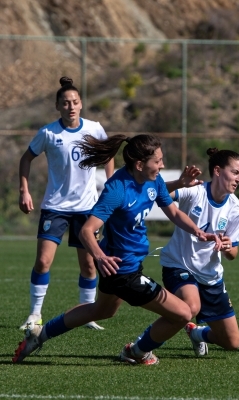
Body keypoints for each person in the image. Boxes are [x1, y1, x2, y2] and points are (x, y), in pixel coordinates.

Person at [13, 134, 220, 365]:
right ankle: (137, 352)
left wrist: (198, 232)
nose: (162, 165)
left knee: (102, 310)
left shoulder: (153, 180)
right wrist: (99, 257)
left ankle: (39, 335)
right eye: (158, 161)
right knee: (183, 313)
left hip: (120, 266)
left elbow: (173, 212)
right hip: (122, 270)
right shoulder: (117, 189)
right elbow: (86, 230)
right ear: (140, 165)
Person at [18, 76, 114, 331]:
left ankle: (87, 315)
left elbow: (109, 156)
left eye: (75, 102)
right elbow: (26, 159)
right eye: (65, 103)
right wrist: (24, 190)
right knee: (43, 262)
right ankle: (35, 314)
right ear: (58, 106)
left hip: (87, 208)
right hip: (55, 207)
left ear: (81, 104)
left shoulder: (94, 129)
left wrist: (111, 183)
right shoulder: (48, 132)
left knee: (89, 264)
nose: (70, 106)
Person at [160, 148, 239, 356]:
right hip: (179, 264)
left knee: (232, 342)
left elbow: (233, 253)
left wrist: (227, 247)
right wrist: (179, 183)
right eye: (235, 172)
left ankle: (197, 333)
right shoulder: (195, 190)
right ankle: (139, 347)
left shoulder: (237, 209)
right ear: (217, 170)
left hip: (211, 275)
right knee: (192, 306)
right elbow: (156, 191)